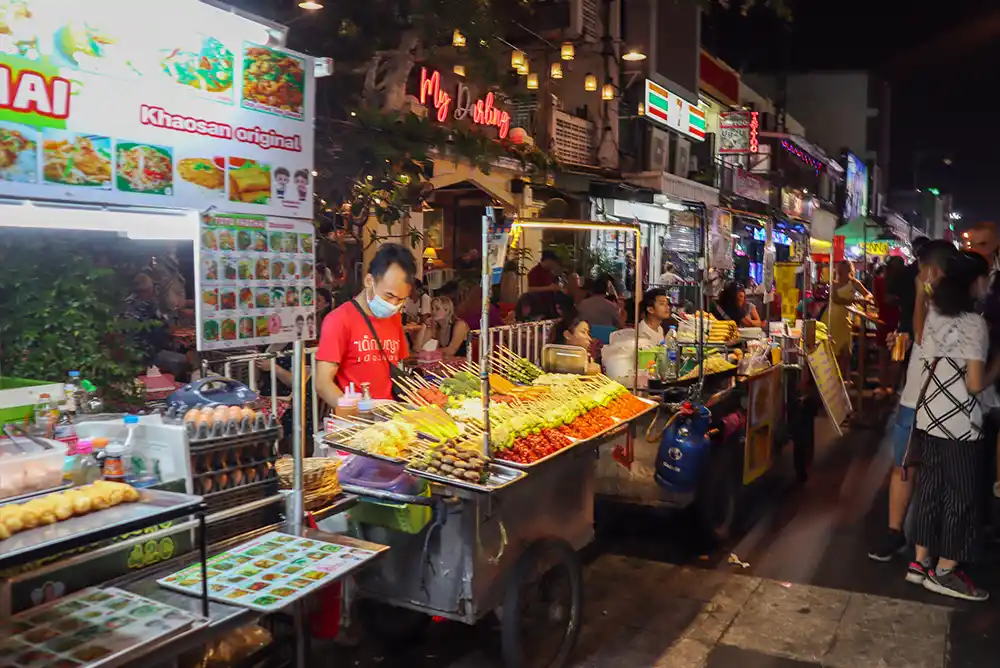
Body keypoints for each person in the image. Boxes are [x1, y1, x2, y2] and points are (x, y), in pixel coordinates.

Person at [907, 251, 1000, 601]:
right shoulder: (974, 324)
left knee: (930, 489)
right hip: (960, 424)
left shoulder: (936, 313)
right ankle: (945, 571)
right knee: (960, 496)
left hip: (929, 416)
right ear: (973, 282)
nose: (988, 284)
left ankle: (919, 563)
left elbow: (920, 338)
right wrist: (997, 364)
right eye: (985, 277)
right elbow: (975, 384)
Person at [869, 240, 960, 563]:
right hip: (915, 399)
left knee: (936, 474)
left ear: (933, 271)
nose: (917, 274)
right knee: (904, 466)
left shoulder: (953, 307)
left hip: (941, 404)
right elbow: (919, 339)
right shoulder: (928, 303)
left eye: (921, 268)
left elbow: (926, 337)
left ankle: (931, 549)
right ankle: (897, 533)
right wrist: (904, 340)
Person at [315, 243, 414, 403]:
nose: (393, 304)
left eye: (400, 299)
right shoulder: (338, 320)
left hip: (390, 415)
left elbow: (398, 363)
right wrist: (357, 411)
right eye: (389, 296)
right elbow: (323, 383)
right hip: (357, 419)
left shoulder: (394, 318)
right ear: (369, 280)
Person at [827, 260, 874, 377]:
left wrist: (866, 299)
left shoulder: (854, 283)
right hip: (832, 318)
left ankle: (843, 377)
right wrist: (856, 300)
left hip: (845, 319)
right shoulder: (833, 284)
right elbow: (836, 299)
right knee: (834, 349)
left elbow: (868, 294)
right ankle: (835, 377)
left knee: (846, 350)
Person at [874, 256, 905, 397]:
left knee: (883, 356)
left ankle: (883, 386)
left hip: (883, 320)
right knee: (897, 357)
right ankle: (895, 387)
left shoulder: (878, 281)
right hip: (898, 322)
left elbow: (876, 302)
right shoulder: (902, 284)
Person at [527, 250, 563, 318]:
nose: (554, 265)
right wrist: (549, 288)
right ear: (547, 260)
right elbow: (531, 289)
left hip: (550, 306)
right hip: (538, 307)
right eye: (553, 263)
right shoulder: (534, 272)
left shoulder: (550, 273)